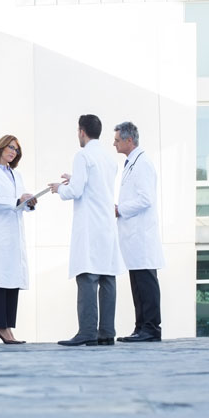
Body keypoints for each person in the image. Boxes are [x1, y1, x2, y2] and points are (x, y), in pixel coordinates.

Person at [50, 114, 124, 347]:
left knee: (88, 278)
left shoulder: (82, 156)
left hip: (90, 226)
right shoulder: (108, 159)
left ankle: (87, 331)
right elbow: (96, 185)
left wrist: (58, 189)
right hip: (106, 225)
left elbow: (76, 191)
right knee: (107, 279)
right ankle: (106, 332)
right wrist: (74, 180)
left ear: (82, 131)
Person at [0, 135, 35, 344]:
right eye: (10, 147)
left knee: (13, 279)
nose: (13, 152)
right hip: (1, 232)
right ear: (1, 148)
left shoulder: (16, 175)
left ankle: (8, 328)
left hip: (15, 232)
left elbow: (20, 200)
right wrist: (16, 200)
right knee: (1, 279)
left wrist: (29, 202)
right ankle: (0, 327)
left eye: (16, 150)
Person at [113, 121, 164, 342]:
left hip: (142, 235)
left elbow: (145, 199)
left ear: (129, 140)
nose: (113, 144)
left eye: (116, 140)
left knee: (146, 283)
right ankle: (140, 326)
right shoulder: (131, 163)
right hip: (133, 237)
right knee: (137, 284)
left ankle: (151, 328)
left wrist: (119, 209)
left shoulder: (142, 164)